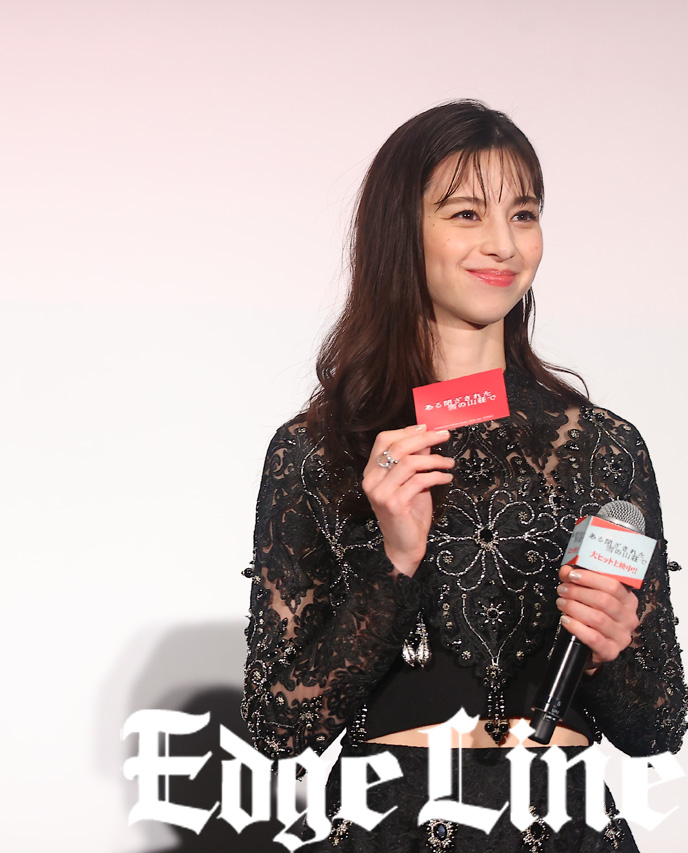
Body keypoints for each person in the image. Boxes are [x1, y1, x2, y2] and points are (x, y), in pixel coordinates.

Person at [241, 101, 685, 851]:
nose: (503, 243)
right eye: (466, 213)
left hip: (564, 824)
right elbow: (279, 725)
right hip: (399, 824)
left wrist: (615, 645)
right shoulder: (320, 448)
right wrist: (394, 563)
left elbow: (658, 725)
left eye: (524, 214)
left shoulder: (602, 446)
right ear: (401, 230)